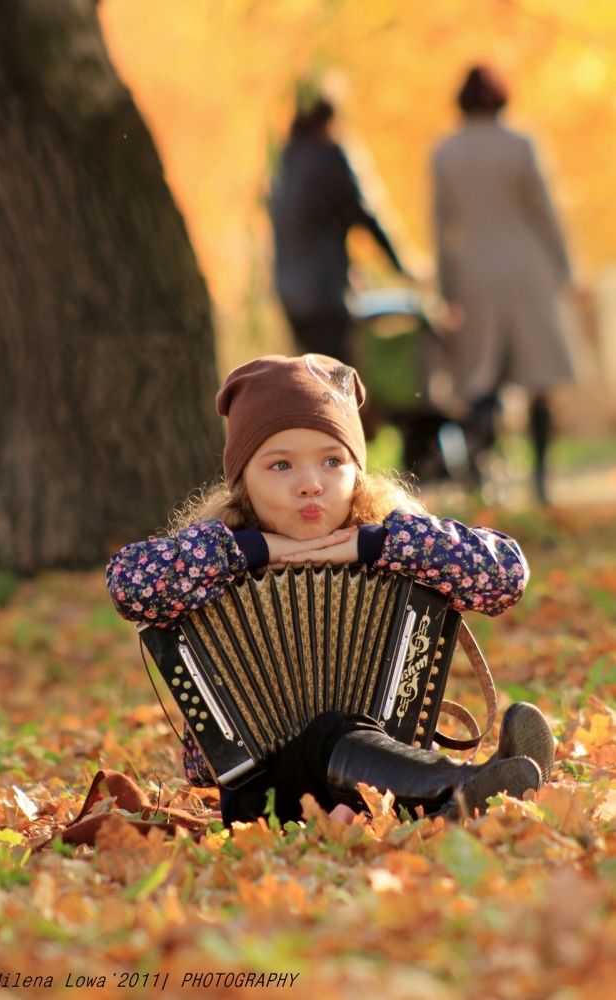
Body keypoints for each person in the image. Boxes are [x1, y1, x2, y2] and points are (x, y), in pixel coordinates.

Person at [107, 353, 555, 827]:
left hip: (385, 774)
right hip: (262, 793)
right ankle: (467, 785)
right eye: (280, 465)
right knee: (329, 731)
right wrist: (248, 551)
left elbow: (505, 575)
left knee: (346, 731)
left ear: (357, 472)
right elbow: (127, 583)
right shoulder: (215, 557)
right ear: (243, 482)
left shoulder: (390, 541)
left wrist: (379, 544)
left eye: (332, 461)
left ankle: (451, 799)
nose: (309, 484)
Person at [432, 65, 576, 503]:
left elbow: (441, 224)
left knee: (481, 377)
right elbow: (544, 211)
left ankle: (482, 477)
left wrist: (445, 285)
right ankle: (541, 481)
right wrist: (566, 270)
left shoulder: (445, 152)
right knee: (538, 375)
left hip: (474, 272)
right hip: (527, 268)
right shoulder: (521, 144)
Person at [270, 95, 409, 364]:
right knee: (337, 379)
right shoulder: (330, 156)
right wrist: (401, 265)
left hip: (290, 293)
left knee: (310, 373)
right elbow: (366, 215)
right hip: (323, 294)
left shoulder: (288, 157)